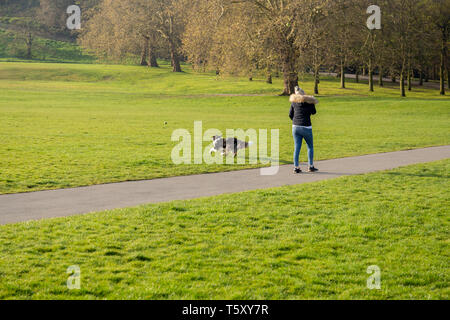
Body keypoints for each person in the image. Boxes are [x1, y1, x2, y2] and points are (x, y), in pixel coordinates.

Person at [289, 86, 319, 174]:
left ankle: (296, 167)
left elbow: (290, 115)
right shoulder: (309, 103)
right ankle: (310, 166)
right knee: (310, 146)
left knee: (297, 147)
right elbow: (314, 112)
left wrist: (296, 121)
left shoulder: (294, 103)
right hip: (306, 127)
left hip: (295, 127)